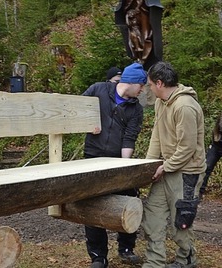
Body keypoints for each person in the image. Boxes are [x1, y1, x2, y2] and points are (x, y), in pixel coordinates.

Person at [82, 63, 146, 268]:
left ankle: (126, 249)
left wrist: (125, 168)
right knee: (90, 205)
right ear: (133, 82)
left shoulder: (136, 108)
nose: (143, 90)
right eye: (141, 85)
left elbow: (129, 138)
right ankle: (98, 256)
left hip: (117, 160)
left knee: (129, 200)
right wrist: (86, 122)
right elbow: (76, 109)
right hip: (92, 156)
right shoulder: (98, 89)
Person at [142, 61, 206, 268]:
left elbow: (187, 148)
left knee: (181, 221)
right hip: (166, 168)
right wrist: (149, 165)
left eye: (150, 84)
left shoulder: (185, 106)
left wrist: (166, 167)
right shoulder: (161, 102)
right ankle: (154, 262)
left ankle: (185, 261)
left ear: (159, 83)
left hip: (186, 171)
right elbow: (157, 136)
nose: (149, 88)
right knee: (153, 214)